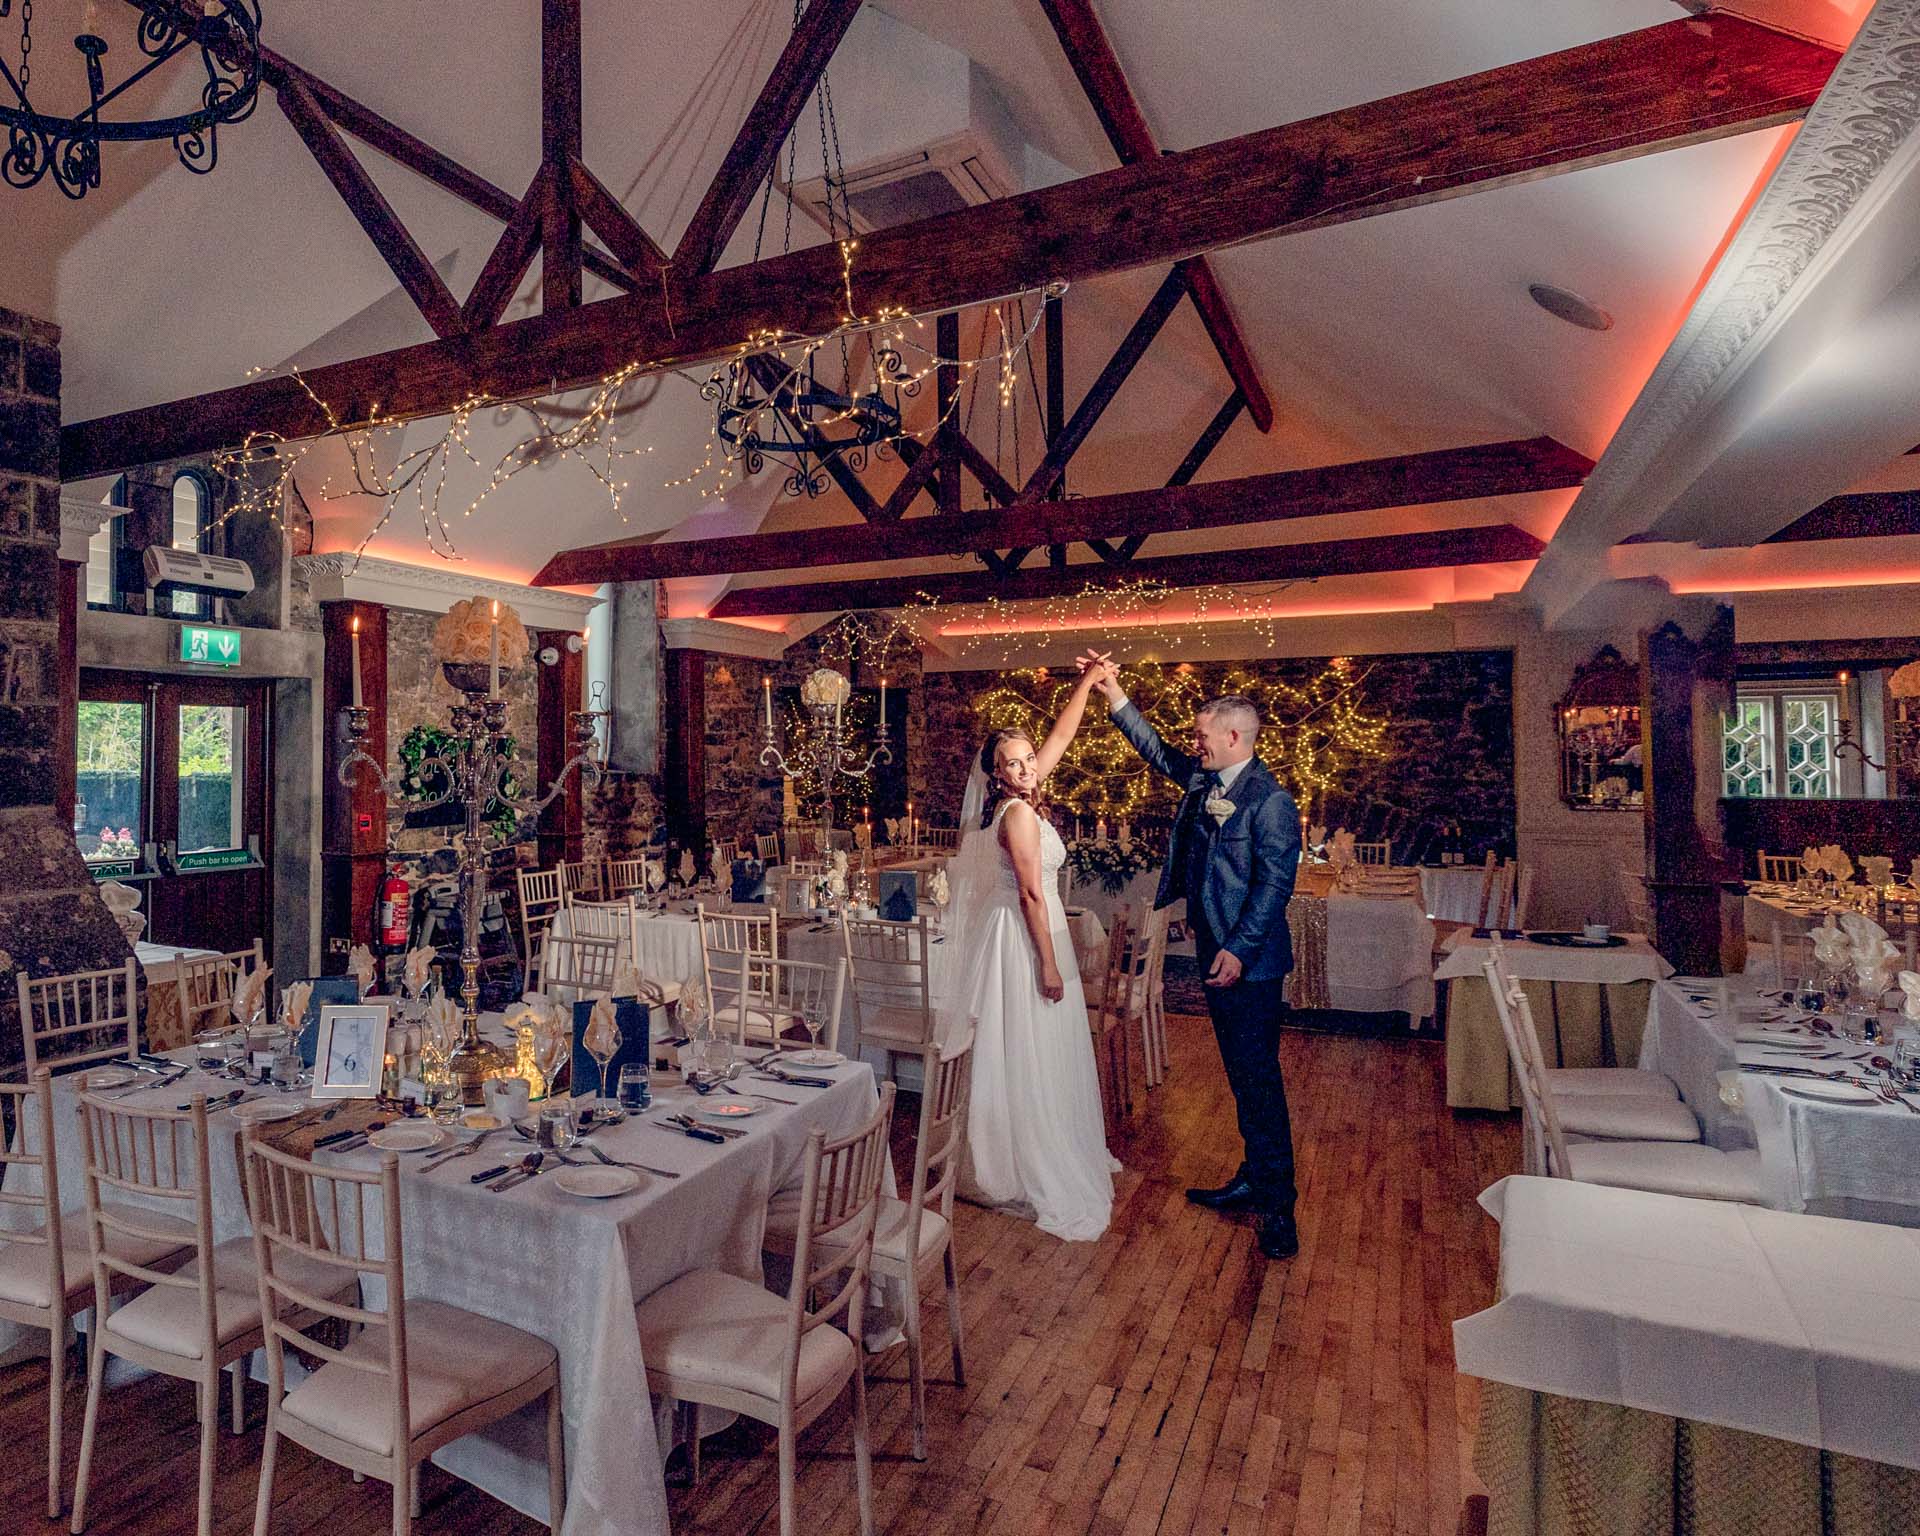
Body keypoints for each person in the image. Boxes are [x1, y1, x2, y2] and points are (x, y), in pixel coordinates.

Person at [1081, 655, 1303, 1260]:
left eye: (1202, 735)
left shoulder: (1270, 801)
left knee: (1259, 1080)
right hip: (1217, 954)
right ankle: (1255, 1176)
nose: (1194, 743)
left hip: (1249, 964)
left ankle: (1279, 1208)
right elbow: (1156, 752)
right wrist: (1114, 693)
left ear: (1234, 737)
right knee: (1241, 1077)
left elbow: (1274, 886)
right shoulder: (1206, 781)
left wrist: (1237, 948)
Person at [938, 666, 1117, 1242]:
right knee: (1021, 1040)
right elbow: (1032, 894)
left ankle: (1044, 1134)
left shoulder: (1027, 795)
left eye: (1028, 759)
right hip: (1022, 936)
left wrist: (1087, 684)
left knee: (1039, 1043)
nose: (1026, 768)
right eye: (1013, 763)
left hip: (1035, 928)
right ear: (997, 774)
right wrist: (1048, 963)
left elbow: (1060, 737)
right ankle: (1012, 1159)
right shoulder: (1016, 813)